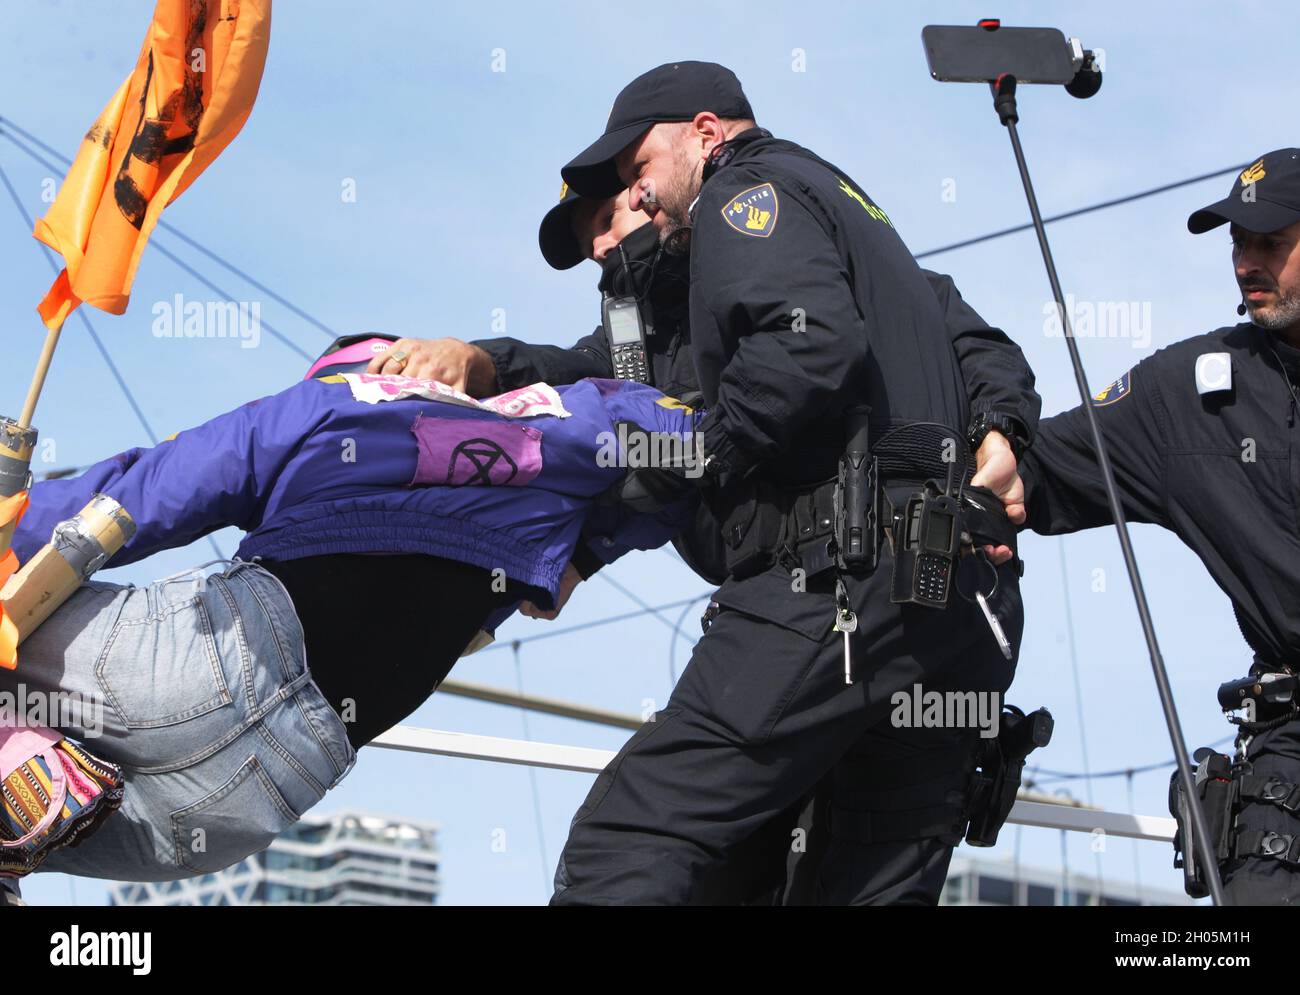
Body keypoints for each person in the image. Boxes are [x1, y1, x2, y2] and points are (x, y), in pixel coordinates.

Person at [547, 61, 1032, 905]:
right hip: (952, 606)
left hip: (834, 586)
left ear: (705, 133)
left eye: (636, 174)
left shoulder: (743, 196)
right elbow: (969, 337)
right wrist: (1003, 430)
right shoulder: (836, 204)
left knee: (629, 838)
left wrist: (692, 453)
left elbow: (804, 352)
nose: (639, 196)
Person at [7, 363, 701, 882]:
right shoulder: (551, 468)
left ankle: (14, 756)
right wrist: (584, 551)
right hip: (247, 802)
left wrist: (14, 518)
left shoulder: (330, 405)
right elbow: (690, 448)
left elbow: (150, 489)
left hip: (204, 667)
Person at [1020, 148, 1300, 905]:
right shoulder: (1194, 392)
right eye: (1236, 242)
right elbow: (1032, 470)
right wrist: (968, 427)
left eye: (1269, 241)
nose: (1246, 261)